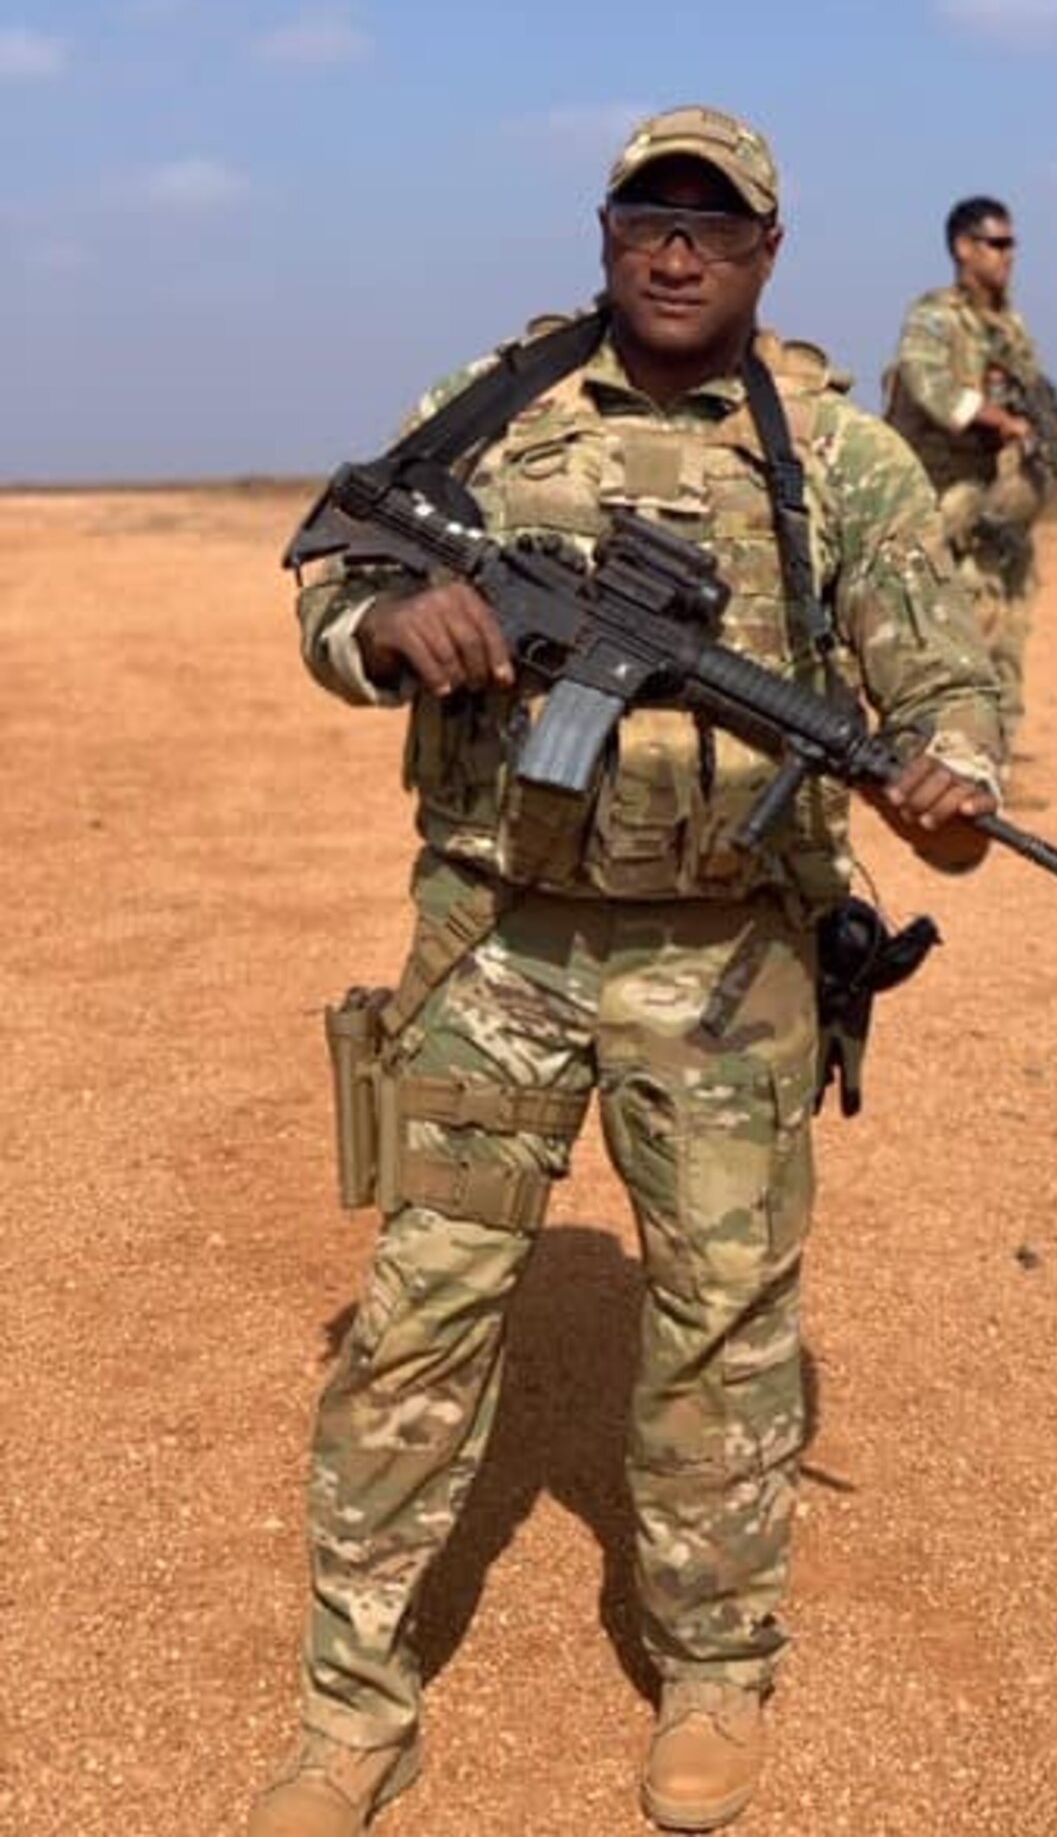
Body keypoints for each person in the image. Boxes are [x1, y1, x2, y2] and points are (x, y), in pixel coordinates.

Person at [250, 106, 1007, 1837]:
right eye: (645, 218)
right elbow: (332, 568)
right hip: (494, 943)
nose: (675, 251)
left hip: (728, 964)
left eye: (713, 226)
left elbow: (949, 701)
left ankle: (716, 1670)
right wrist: (388, 629)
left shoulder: (840, 457)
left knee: (728, 1339)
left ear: (767, 254)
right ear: (605, 235)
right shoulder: (495, 405)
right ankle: (352, 1710)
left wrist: (948, 791)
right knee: (419, 1320)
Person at [884, 194, 1057, 759]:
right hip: (940, 490)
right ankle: (950, 748)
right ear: (964, 247)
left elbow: (1041, 412)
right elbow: (929, 386)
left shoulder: (1009, 326)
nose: (1009, 256)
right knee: (957, 621)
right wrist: (999, 419)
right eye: (998, 243)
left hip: (997, 497)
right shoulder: (934, 318)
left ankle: (996, 744)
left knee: (1009, 617)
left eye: (1012, 245)